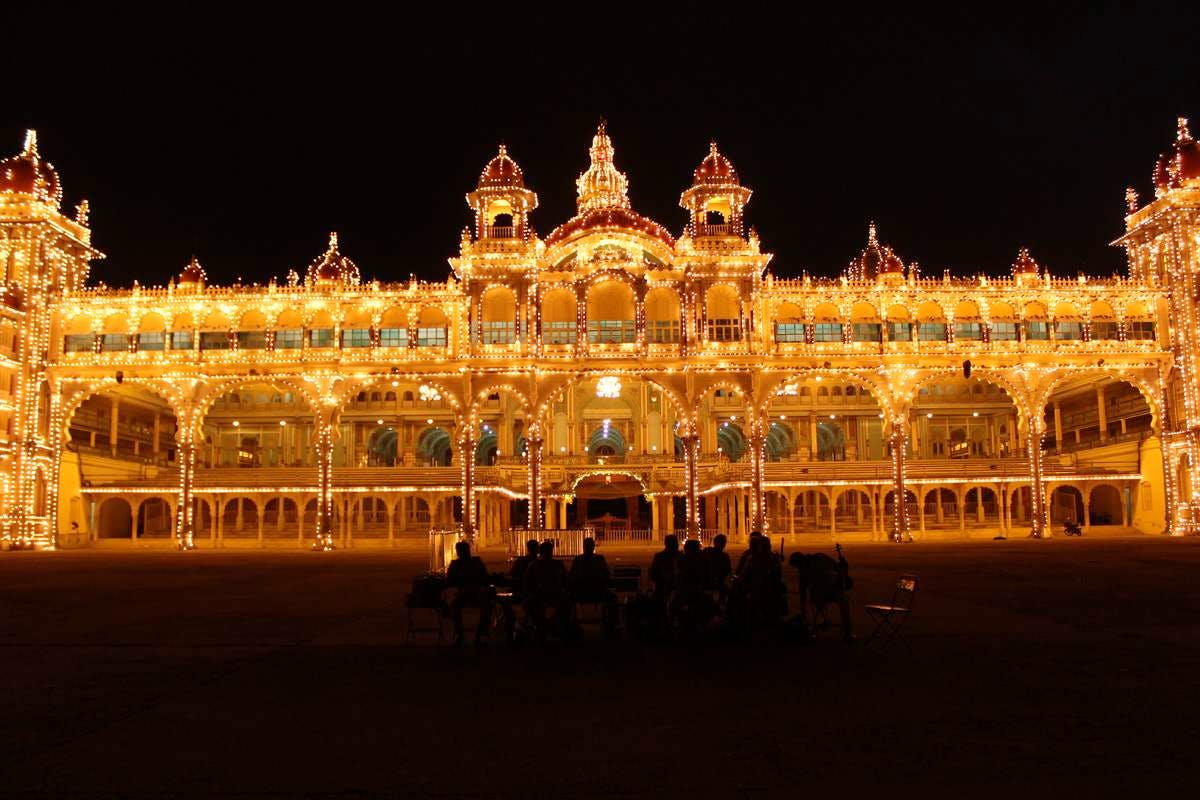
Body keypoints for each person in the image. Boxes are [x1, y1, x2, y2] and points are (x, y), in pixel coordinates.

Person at [788, 545, 853, 642]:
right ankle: (846, 632)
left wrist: (803, 611)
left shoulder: (809, 567)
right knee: (842, 600)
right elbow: (839, 569)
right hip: (830, 593)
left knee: (835, 598)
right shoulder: (817, 559)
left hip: (827, 594)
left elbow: (803, 594)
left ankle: (825, 620)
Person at [445, 540, 494, 645]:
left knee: (454, 606)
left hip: (465, 594)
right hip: (475, 594)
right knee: (487, 606)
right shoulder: (477, 562)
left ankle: (459, 633)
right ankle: (481, 632)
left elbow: (448, 581)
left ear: (458, 552)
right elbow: (486, 577)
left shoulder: (455, 564)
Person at [568, 537, 618, 636]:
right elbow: (607, 575)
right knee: (612, 598)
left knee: (567, 599)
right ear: (593, 547)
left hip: (580, 593)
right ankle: (612, 623)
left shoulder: (578, 559)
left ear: (584, 547)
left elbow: (571, 576)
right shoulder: (599, 559)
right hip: (598, 593)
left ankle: (568, 623)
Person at [523, 540, 570, 640]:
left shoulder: (533, 565)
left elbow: (528, 583)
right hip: (555, 595)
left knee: (529, 603)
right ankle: (556, 624)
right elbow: (566, 581)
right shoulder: (558, 564)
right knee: (567, 602)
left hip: (538, 596)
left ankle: (541, 624)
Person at [671, 538, 717, 632]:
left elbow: (677, 577)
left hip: (685, 592)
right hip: (698, 591)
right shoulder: (702, 561)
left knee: (673, 606)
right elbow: (708, 577)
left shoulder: (682, 560)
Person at [649, 534, 681, 604]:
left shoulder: (659, 556)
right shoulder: (680, 556)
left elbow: (653, 574)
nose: (677, 545)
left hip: (665, 588)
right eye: (675, 543)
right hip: (667, 588)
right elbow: (653, 575)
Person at [702, 534, 732, 601]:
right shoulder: (724, 556)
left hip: (706, 581)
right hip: (718, 581)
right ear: (724, 544)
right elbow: (728, 570)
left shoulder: (707, 551)